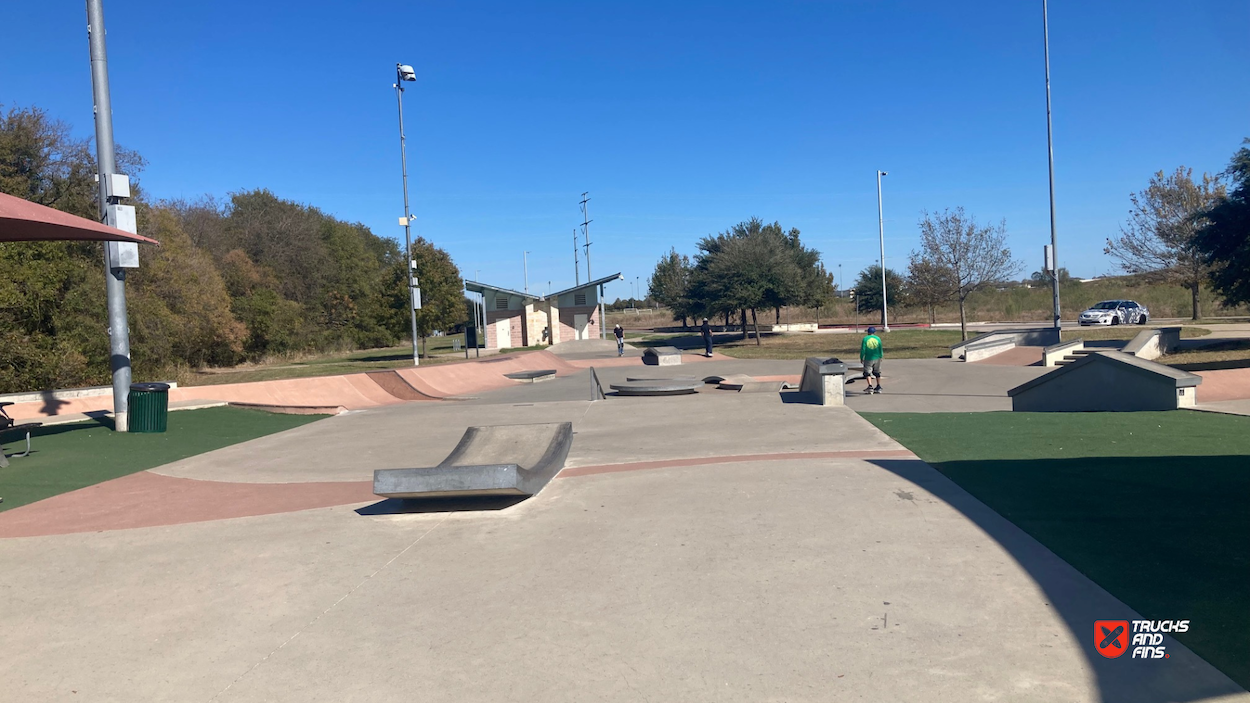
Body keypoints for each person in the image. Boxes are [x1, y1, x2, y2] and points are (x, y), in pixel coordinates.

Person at [860, 326, 884, 394]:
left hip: (868, 357)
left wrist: (861, 357)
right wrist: (881, 356)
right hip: (877, 357)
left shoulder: (865, 339)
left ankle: (870, 386)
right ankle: (878, 386)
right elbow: (880, 348)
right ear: (874, 332)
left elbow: (863, 349)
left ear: (868, 332)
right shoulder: (878, 338)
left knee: (867, 372)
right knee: (877, 372)